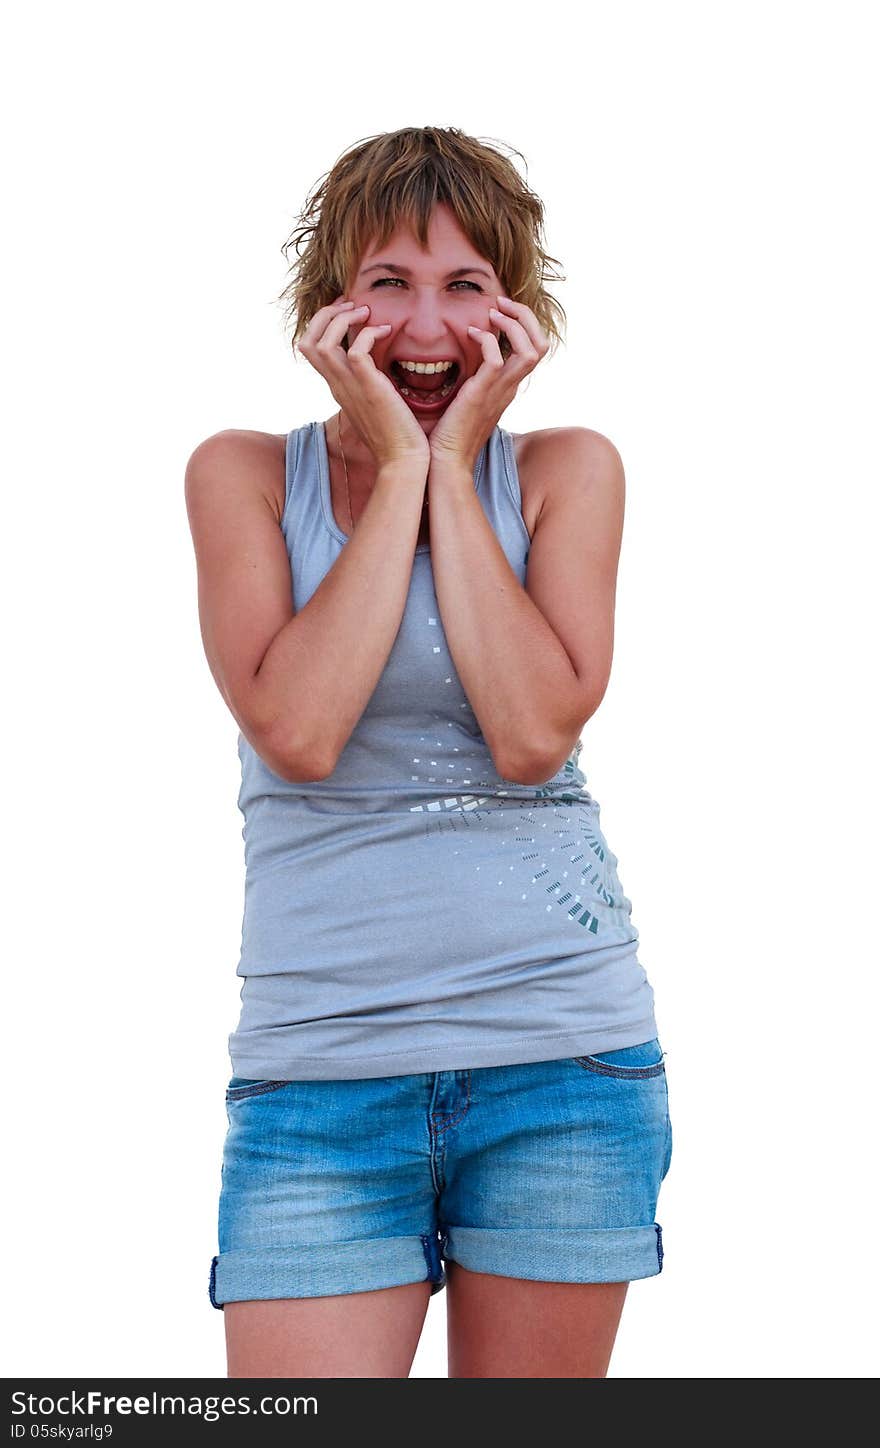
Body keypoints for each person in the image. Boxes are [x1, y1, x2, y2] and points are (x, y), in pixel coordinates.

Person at [184, 125, 672, 1379]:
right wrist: (399, 463)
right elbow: (295, 729)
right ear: (327, 304)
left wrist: (451, 467)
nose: (426, 321)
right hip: (320, 1078)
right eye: (388, 281)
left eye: (465, 284)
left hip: (559, 1059)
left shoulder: (567, 473)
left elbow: (528, 733)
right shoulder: (241, 475)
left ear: (514, 308)